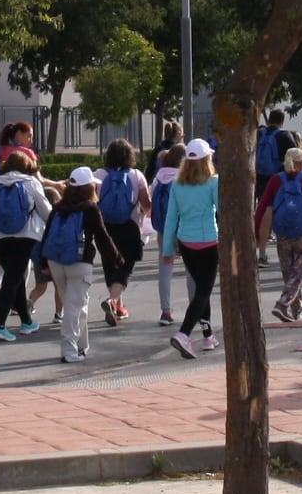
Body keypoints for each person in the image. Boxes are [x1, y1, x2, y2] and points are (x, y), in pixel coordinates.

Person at [41, 168, 118, 362]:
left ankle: (82, 345)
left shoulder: (58, 207)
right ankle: (69, 351)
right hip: (79, 262)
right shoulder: (90, 207)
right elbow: (102, 236)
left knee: (76, 304)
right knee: (74, 307)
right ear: (89, 187)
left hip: (55, 261)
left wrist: (43, 262)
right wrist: (117, 259)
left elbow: (47, 234)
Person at [0, 147, 49, 343]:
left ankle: (26, 321)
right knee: (12, 278)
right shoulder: (31, 182)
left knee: (14, 275)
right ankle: (0, 325)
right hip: (25, 235)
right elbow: (45, 210)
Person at [162, 139, 223, 357]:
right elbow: (221, 212)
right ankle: (184, 334)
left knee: (200, 291)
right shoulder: (212, 182)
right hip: (208, 242)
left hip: (186, 243)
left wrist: (167, 250)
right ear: (208, 159)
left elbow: (171, 218)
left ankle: (207, 336)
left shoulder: (177, 185)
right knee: (203, 292)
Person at [257, 145, 302, 324]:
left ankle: (297, 310)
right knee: (299, 272)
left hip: (282, 233)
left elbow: (262, 205)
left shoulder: (275, 180)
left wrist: (257, 230)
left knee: (289, 272)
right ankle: (283, 303)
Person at [94, 139, 150, 329]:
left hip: (104, 227)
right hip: (130, 227)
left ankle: (117, 306)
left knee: (110, 266)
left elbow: (91, 201)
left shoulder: (99, 175)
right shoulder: (136, 175)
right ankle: (112, 301)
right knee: (125, 268)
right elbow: (147, 204)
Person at [150, 122, 187, 325]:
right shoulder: (185, 178)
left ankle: (165, 311)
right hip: (186, 230)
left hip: (164, 229)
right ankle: (196, 310)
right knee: (192, 270)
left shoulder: (159, 178)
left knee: (165, 270)